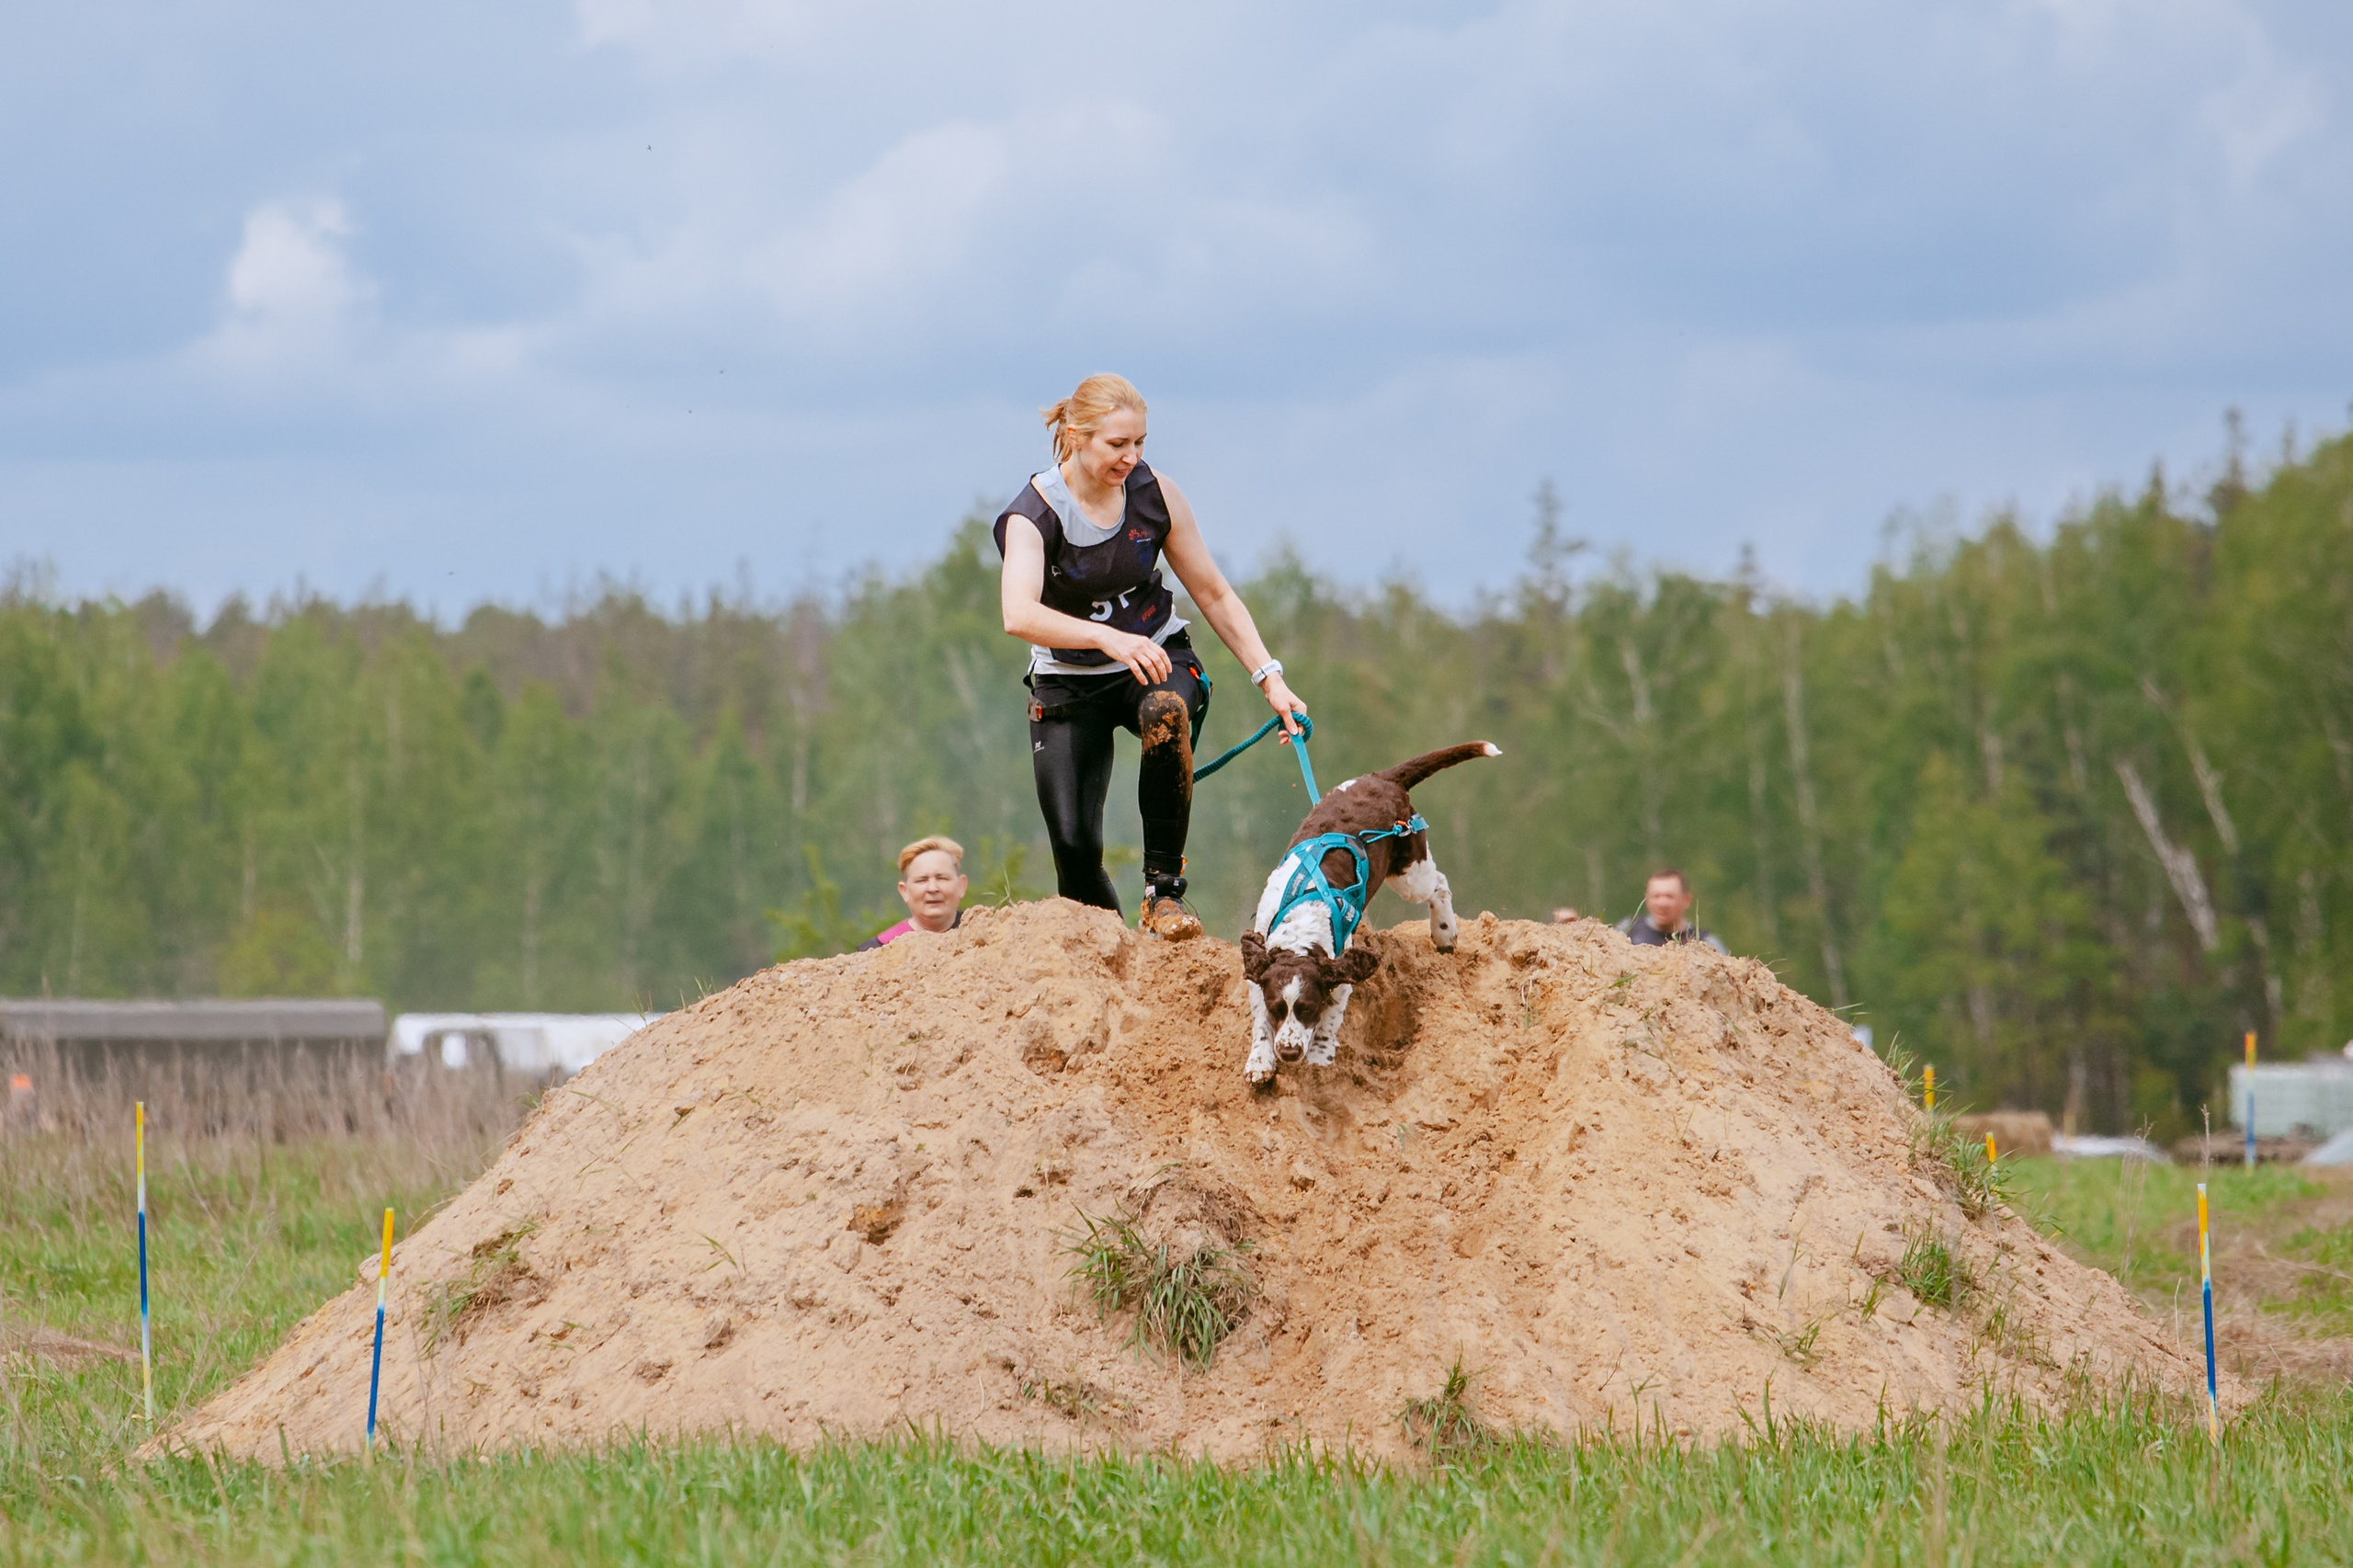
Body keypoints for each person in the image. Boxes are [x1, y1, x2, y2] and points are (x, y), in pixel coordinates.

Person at [996, 373, 1308, 939]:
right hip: (1068, 680)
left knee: (1165, 711)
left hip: (1158, 658)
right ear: (1074, 436)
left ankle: (1164, 895)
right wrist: (1107, 638)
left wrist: (1272, 680)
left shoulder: (1154, 494)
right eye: (1118, 444)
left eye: (1139, 442)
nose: (1131, 457)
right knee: (1073, 845)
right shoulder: (1033, 514)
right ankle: (1107, 949)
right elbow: (1018, 613)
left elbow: (1213, 591)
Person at [856, 836, 969, 951]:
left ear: (961, 886)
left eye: (942, 878)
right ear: (904, 891)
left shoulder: (982, 935)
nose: (933, 888)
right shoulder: (877, 950)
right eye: (922, 880)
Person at [1617, 868, 1726, 951]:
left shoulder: (1706, 944)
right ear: (1646, 899)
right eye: (1656, 896)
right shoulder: (1628, 930)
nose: (1662, 903)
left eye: (1669, 896)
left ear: (1686, 900)